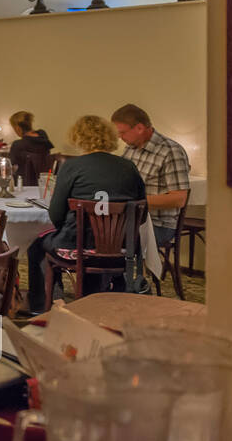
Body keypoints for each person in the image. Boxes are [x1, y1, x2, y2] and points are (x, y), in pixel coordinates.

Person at [24, 115, 147, 314]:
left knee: (37, 247)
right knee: (93, 245)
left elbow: (56, 214)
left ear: (78, 137)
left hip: (77, 248)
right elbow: (142, 213)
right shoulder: (129, 167)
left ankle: (42, 305)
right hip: (122, 250)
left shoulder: (72, 167)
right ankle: (103, 297)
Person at [111, 104, 191, 250]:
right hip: (130, 219)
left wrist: (134, 202)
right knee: (89, 230)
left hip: (157, 224)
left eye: (122, 133)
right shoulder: (131, 149)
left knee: (106, 238)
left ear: (139, 128)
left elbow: (179, 199)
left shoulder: (170, 151)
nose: (120, 137)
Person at [7, 110, 54, 186]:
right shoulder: (43, 137)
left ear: (18, 128)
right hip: (45, 183)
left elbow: (10, 166)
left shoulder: (18, 145)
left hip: (24, 184)